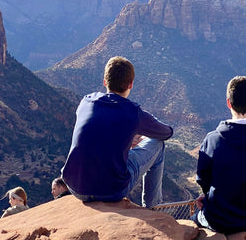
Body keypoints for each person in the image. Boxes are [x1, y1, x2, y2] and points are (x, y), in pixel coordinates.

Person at [61, 56, 173, 208]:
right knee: (157, 144)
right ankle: (153, 207)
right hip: (111, 191)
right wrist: (136, 133)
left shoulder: (86, 101)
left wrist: (126, 138)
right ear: (131, 84)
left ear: (105, 81)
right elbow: (166, 133)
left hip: (76, 187)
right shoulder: (133, 112)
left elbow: (97, 131)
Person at [193, 76, 246, 235]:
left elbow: (203, 179)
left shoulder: (213, 139)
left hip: (218, 220)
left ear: (228, 103)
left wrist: (209, 196)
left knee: (192, 221)